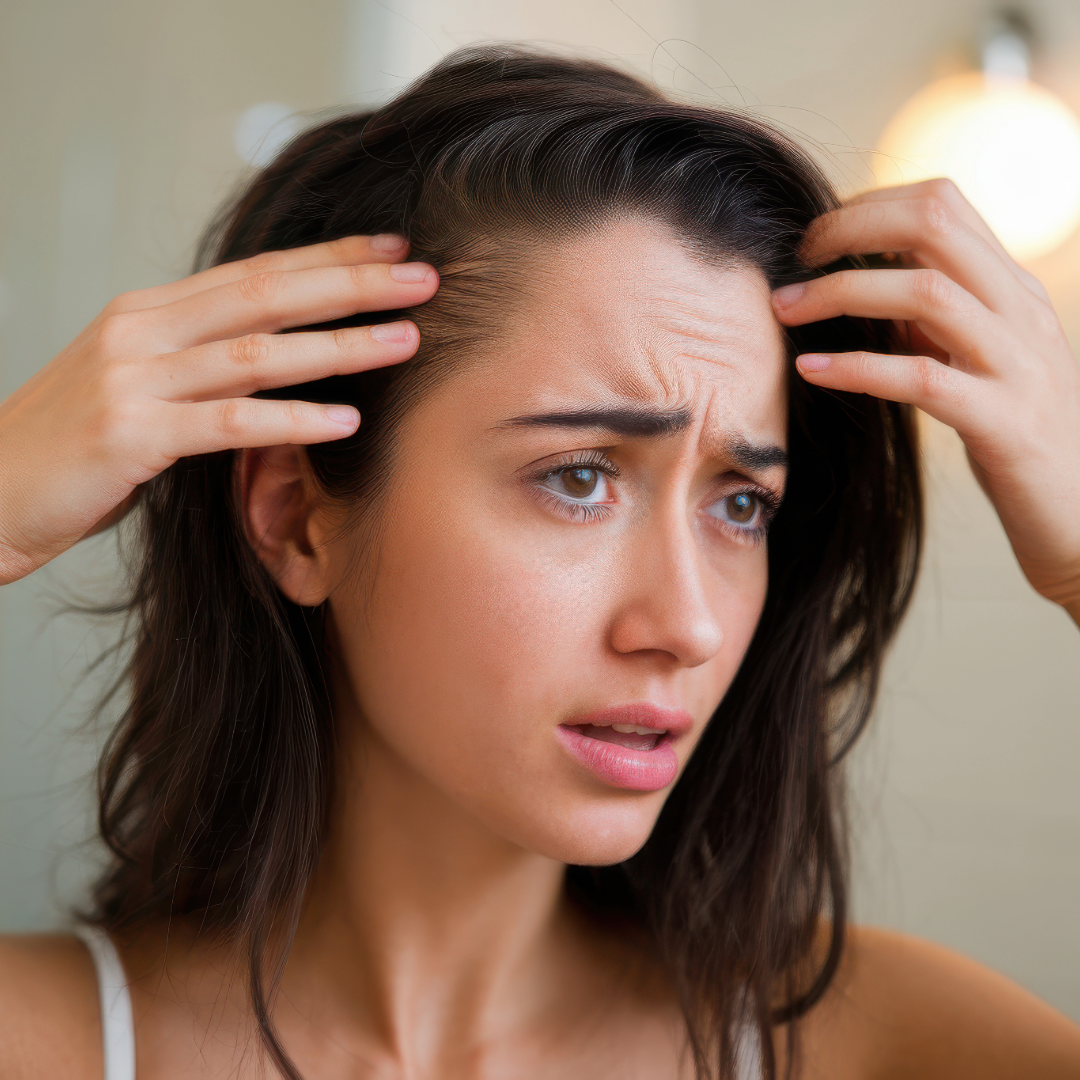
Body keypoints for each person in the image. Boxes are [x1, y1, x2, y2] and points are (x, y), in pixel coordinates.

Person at [0, 45, 1078, 1080]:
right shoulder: (44, 1047)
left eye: (742, 502)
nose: (688, 625)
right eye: (578, 477)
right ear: (296, 516)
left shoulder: (872, 1049)